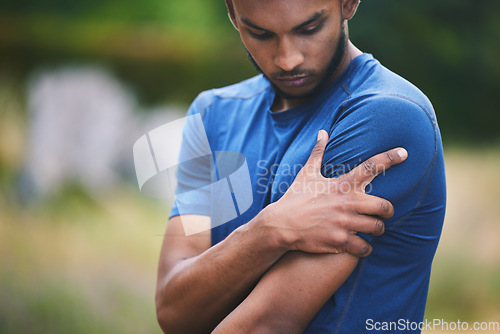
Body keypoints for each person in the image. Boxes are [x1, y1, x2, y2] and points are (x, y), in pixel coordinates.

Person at [155, 0, 446, 333]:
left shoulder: (386, 116)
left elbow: (267, 324)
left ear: (348, 4)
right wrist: (269, 231)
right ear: (233, 13)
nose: (287, 59)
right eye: (260, 32)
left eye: (309, 28)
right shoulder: (212, 115)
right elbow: (174, 311)